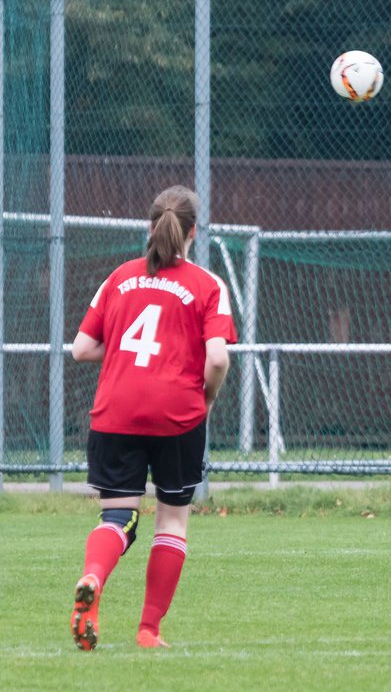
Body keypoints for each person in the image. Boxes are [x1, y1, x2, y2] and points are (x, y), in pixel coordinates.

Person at [68, 185, 235, 650]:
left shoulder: (119, 277)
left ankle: (93, 577)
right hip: (177, 416)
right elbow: (218, 359)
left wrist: (121, 352)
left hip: (115, 411)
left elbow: (81, 349)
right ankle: (148, 631)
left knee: (118, 514)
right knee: (172, 521)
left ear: (150, 226)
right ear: (193, 231)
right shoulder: (207, 285)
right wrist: (207, 398)